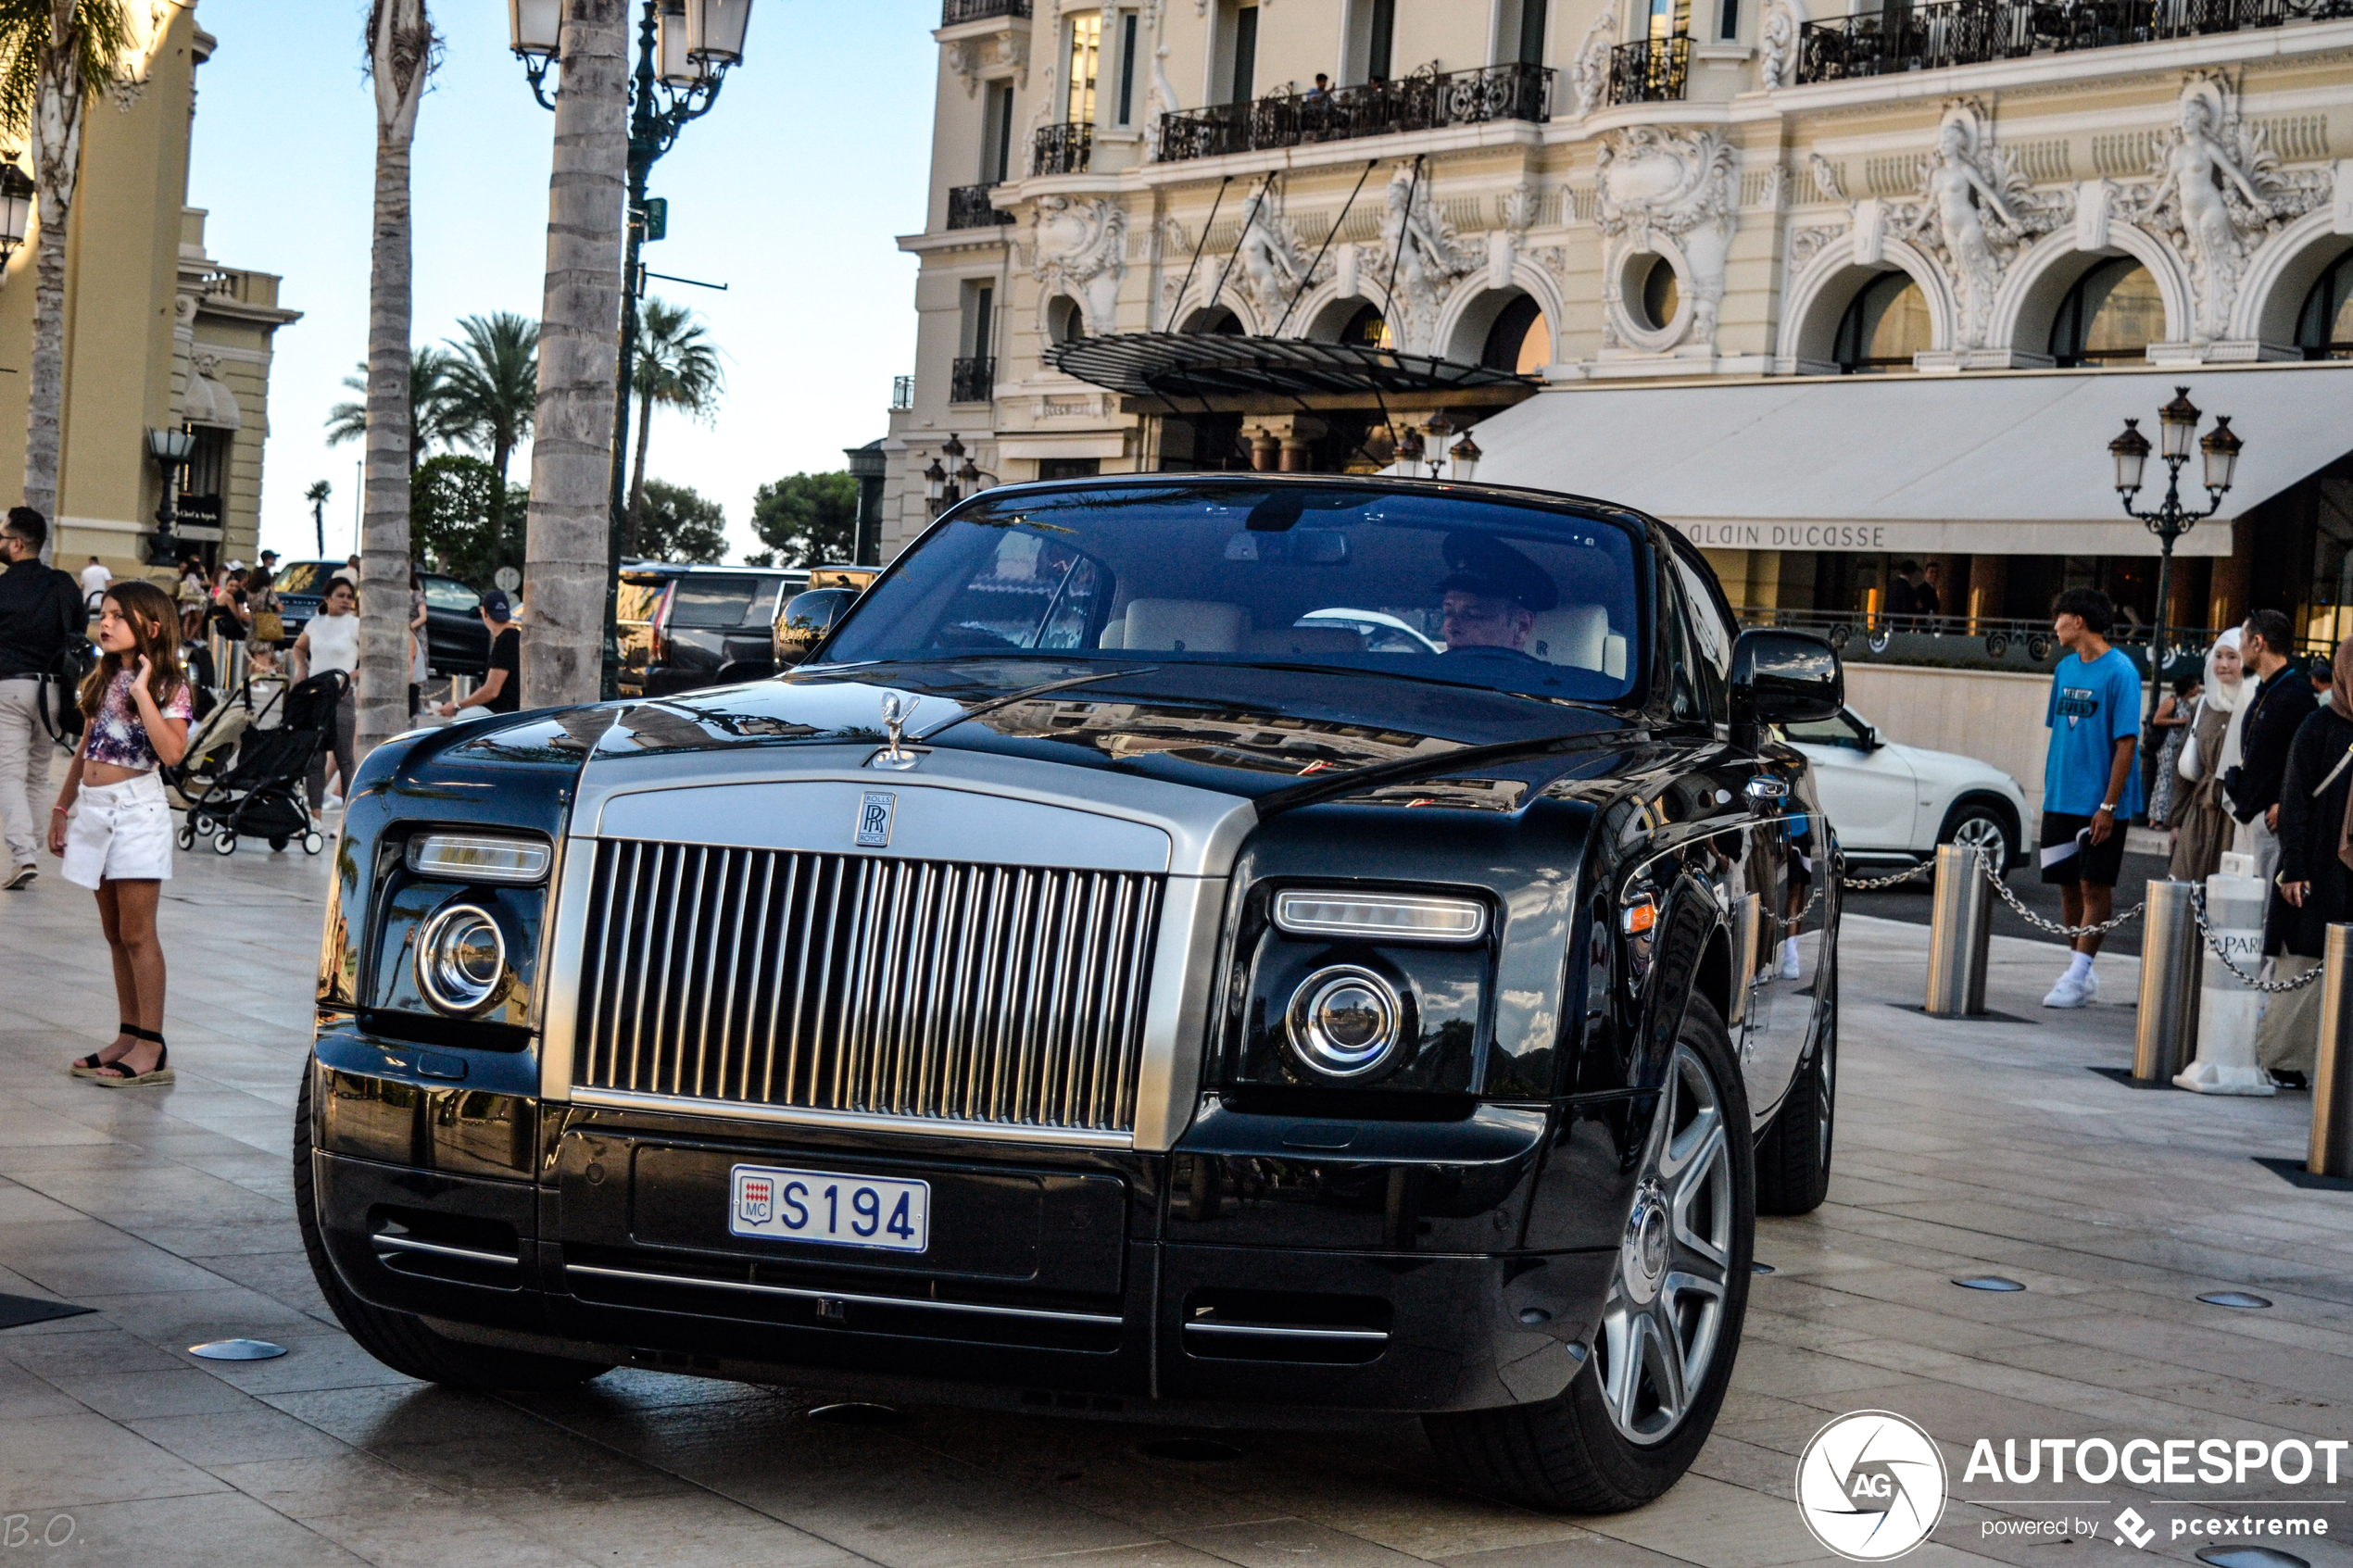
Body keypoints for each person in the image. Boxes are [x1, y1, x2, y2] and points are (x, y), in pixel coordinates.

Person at [48, 579, 189, 1087]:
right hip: (93, 809)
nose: (104, 624)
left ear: (151, 627)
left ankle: (153, 1043)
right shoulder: (102, 677)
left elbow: (172, 753)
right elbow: (87, 749)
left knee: (138, 933)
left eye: (117, 616)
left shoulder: (171, 686)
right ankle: (128, 1034)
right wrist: (62, 805)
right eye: (103, 614)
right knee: (113, 933)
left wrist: (141, 692)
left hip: (136, 814)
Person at [2038, 587, 2143, 1009]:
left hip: (2101, 802)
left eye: (2059, 617)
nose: (2055, 626)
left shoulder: (2122, 672)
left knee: (2093, 884)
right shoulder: (2064, 669)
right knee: (2066, 886)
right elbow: (2060, 731)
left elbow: (2126, 744)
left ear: (2078, 620)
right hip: (2060, 795)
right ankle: (2080, 970)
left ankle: (2078, 974)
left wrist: (2109, 806)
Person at [2258, 636, 2353, 1090]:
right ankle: (2285, 1058)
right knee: (2304, 960)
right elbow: (2293, 799)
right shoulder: (2319, 726)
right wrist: (2293, 867)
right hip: (2317, 867)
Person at [0, 508, 84, 890]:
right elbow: (79, 631)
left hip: (10, 689)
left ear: (17, 544)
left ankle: (24, 855)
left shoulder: (3, 587)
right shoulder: (62, 584)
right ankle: (29, 850)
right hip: (53, 691)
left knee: (10, 774)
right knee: (35, 775)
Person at [2225, 608, 2316, 890]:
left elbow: (2313, 762)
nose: (2239, 646)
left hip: (2270, 827)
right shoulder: (2267, 691)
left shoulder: (2297, 696)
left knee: (2259, 919)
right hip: (2250, 819)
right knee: (2238, 916)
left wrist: (2284, 804)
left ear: (2258, 642)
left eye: (2242, 637)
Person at [2167, 631, 2242, 884]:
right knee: (2185, 887)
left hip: (2237, 817)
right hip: (2200, 811)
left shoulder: (2257, 704)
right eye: (2218, 656)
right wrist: (2176, 821)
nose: (2223, 664)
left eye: (2232, 656)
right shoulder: (2204, 705)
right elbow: (2183, 766)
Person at [293, 576, 359, 826]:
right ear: (327, 598)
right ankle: (315, 817)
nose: (346, 600)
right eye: (340, 595)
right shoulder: (315, 623)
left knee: (344, 758)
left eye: (350, 597)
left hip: (341, 697)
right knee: (316, 758)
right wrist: (302, 669)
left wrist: (347, 678)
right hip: (315, 697)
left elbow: (368, 661)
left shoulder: (355, 625)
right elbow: (299, 648)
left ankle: (348, 819)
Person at [438, 588, 521, 718]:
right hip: (508, 710)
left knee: (459, 720)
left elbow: (492, 691)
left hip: (499, 712)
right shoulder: (515, 637)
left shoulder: (505, 641)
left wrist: (457, 706)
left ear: (485, 613)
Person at [2147, 672, 2197, 823]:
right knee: (2164, 779)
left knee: (2172, 781)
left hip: (2179, 746)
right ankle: (2155, 818)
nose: (2198, 688)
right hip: (2167, 745)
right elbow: (2157, 719)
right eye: (2195, 685)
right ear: (2189, 688)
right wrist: (2180, 721)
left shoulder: (2188, 704)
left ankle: (2166, 817)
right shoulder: (2172, 701)